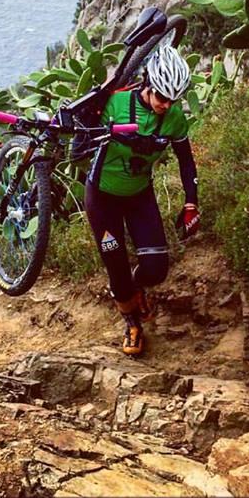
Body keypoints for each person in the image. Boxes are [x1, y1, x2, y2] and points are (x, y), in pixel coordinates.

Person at [84, 44, 200, 357]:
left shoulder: (174, 117)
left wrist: (191, 203)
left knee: (156, 268)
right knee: (117, 268)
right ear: (148, 84)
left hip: (139, 195)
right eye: (161, 97)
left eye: (172, 99)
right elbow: (82, 138)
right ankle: (132, 322)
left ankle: (136, 291)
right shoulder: (117, 103)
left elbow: (186, 161)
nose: (166, 104)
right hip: (102, 196)